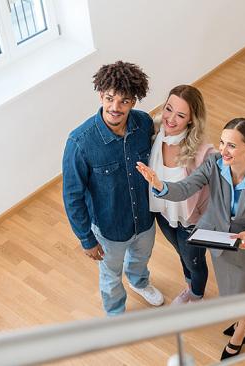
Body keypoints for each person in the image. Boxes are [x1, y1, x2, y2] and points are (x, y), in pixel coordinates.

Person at [136, 118, 245, 360]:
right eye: (222, 143)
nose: (223, 150)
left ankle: (239, 336)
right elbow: (185, 188)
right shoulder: (214, 164)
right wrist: (160, 185)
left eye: (232, 146)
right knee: (232, 294)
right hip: (220, 247)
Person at [62, 61, 164, 316]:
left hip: (144, 220)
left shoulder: (143, 125)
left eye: (124, 101)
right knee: (110, 275)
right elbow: (72, 196)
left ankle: (139, 282)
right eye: (109, 99)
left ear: (134, 102)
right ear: (100, 95)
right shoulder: (79, 142)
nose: (115, 108)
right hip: (109, 229)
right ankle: (115, 310)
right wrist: (86, 239)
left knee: (140, 260)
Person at [149, 85, 215, 304]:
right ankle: (190, 287)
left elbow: (221, 189)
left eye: (180, 115)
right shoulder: (155, 134)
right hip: (164, 214)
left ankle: (196, 296)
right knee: (182, 254)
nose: (171, 119)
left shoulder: (203, 153)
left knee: (195, 261)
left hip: (191, 222)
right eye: (169, 109)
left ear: (191, 120)